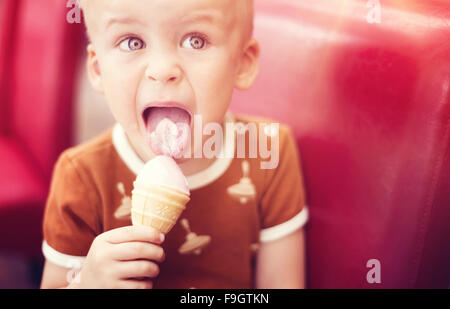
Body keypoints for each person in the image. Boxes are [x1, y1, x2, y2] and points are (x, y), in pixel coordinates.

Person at [40, 0, 308, 289]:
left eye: (195, 40)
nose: (163, 69)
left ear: (242, 62)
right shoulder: (81, 176)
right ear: (98, 69)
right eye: (132, 42)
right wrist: (87, 285)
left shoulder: (269, 153)